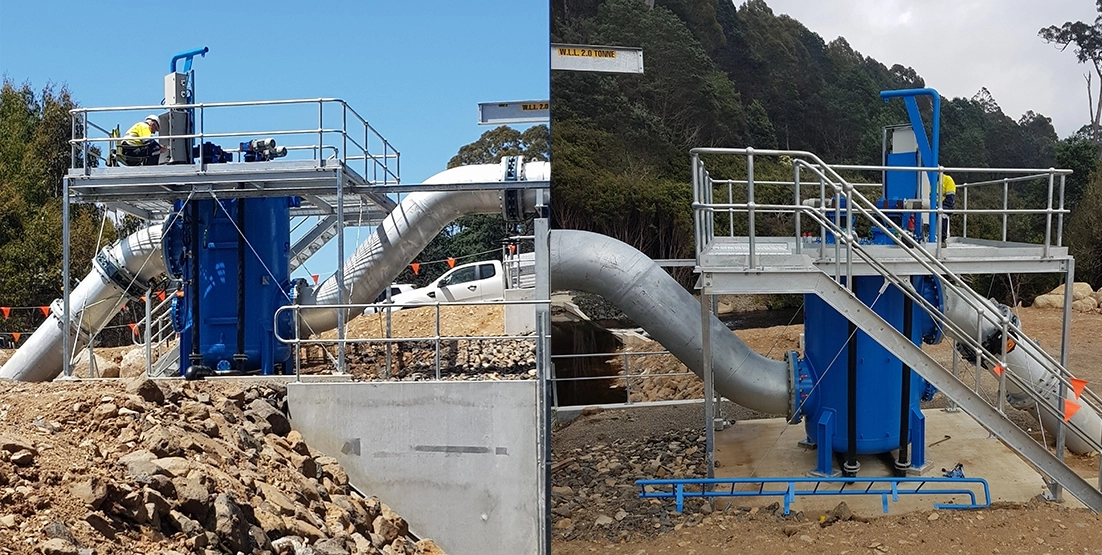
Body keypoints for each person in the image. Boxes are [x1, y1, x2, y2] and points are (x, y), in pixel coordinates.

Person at [939, 173, 956, 248]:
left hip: (945, 205)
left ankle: (942, 239)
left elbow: (950, 200)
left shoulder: (947, 180)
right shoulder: (930, 181)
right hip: (933, 205)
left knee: (943, 214)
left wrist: (938, 206)